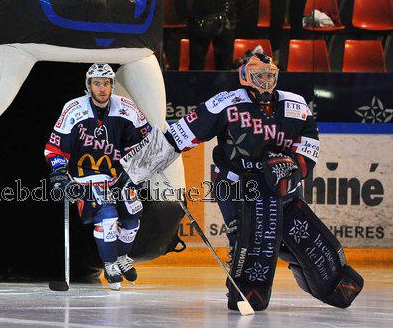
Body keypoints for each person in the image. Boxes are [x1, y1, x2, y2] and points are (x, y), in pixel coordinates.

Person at [120, 54, 364, 311]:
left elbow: (310, 141)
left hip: (281, 186)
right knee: (247, 238)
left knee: (296, 242)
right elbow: (178, 136)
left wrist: (294, 168)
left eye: (270, 75)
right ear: (246, 77)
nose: (266, 81)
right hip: (237, 186)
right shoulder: (226, 103)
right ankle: (246, 289)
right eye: (260, 76)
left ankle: (331, 283)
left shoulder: (296, 104)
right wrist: (135, 171)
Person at [44, 64, 150, 291]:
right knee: (108, 218)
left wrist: (139, 166)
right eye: (97, 83)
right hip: (87, 178)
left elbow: (144, 140)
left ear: (113, 85)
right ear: (89, 86)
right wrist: (60, 173)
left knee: (132, 216)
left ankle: (121, 256)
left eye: (106, 83)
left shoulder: (127, 108)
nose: (102, 88)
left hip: (119, 175)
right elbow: (54, 149)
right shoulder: (74, 109)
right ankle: (110, 264)